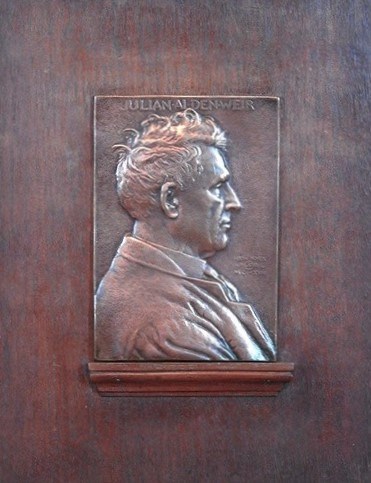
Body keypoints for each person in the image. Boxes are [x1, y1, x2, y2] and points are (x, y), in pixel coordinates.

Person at [95, 109, 276, 361]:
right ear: (170, 200)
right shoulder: (166, 325)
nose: (234, 202)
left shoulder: (190, 280)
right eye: (218, 187)